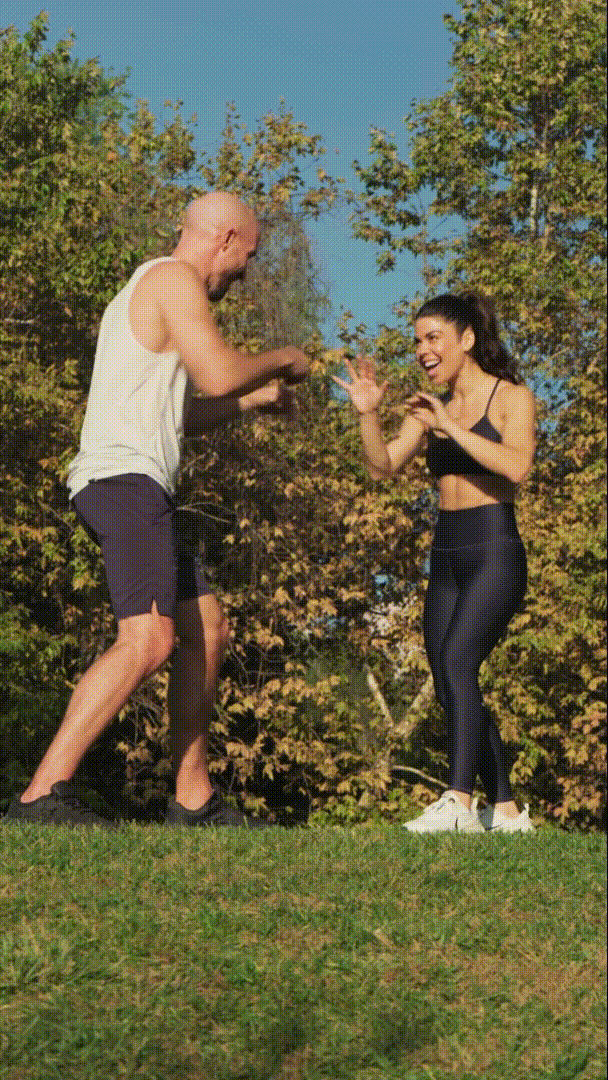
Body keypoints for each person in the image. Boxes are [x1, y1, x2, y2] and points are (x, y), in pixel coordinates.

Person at [4, 191, 309, 828]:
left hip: (134, 484)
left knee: (205, 626)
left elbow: (187, 410)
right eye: (246, 255)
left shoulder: (152, 292)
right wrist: (284, 358)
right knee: (148, 639)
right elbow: (222, 373)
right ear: (225, 239)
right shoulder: (174, 280)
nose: (244, 272)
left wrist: (253, 405)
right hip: (123, 481)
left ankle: (194, 799)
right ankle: (40, 796)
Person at [333, 292, 536, 833]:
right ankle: (509, 811)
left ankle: (460, 802)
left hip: (495, 546)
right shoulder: (429, 408)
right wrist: (369, 414)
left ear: (466, 339)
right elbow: (383, 466)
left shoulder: (512, 397)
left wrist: (452, 427)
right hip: (447, 551)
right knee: (448, 676)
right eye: (417, 339)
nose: (422, 349)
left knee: (458, 659)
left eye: (433, 337)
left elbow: (516, 468)